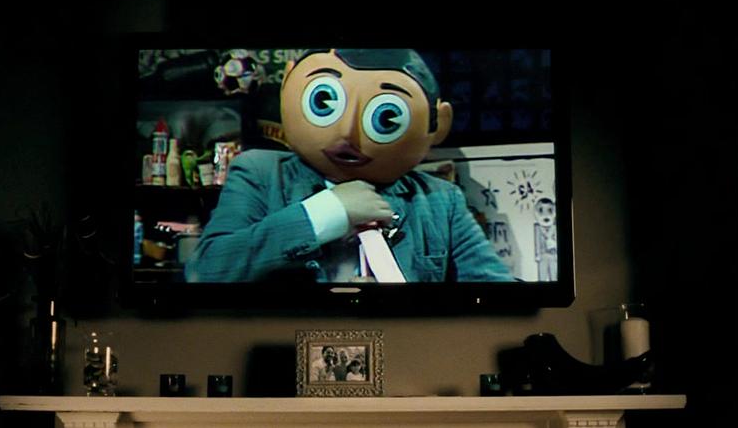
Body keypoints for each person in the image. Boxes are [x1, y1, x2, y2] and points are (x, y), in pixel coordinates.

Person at [188, 49, 515, 283]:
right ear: (288, 84)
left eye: (386, 117)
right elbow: (207, 271)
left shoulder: (441, 200)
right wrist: (325, 213)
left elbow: (493, 291)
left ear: (438, 124)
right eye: (324, 102)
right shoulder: (260, 174)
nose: (347, 132)